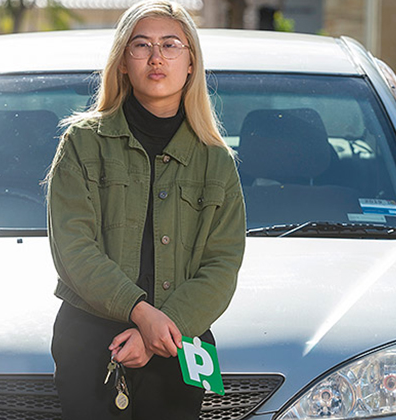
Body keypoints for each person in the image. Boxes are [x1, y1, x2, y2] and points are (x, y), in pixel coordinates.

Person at [46, 1, 246, 418]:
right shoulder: (83, 144)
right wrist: (141, 315)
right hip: (90, 338)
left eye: (171, 44)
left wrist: (160, 330)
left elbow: (222, 264)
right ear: (122, 61)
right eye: (141, 45)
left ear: (191, 62)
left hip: (181, 339)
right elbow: (74, 248)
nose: (157, 57)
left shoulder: (216, 161)